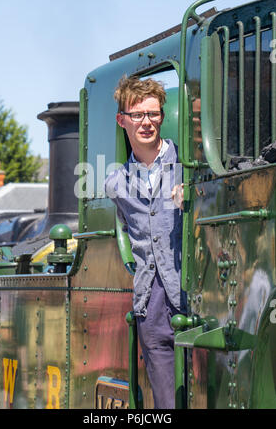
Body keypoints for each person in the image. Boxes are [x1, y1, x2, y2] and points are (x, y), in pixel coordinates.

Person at [105, 75, 186, 409]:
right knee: (165, 401)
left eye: (153, 114)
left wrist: (197, 195)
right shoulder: (115, 185)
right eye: (137, 115)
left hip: (190, 291)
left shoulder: (188, 166)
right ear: (122, 120)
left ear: (162, 118)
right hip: (150, 303)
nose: (146, 122)